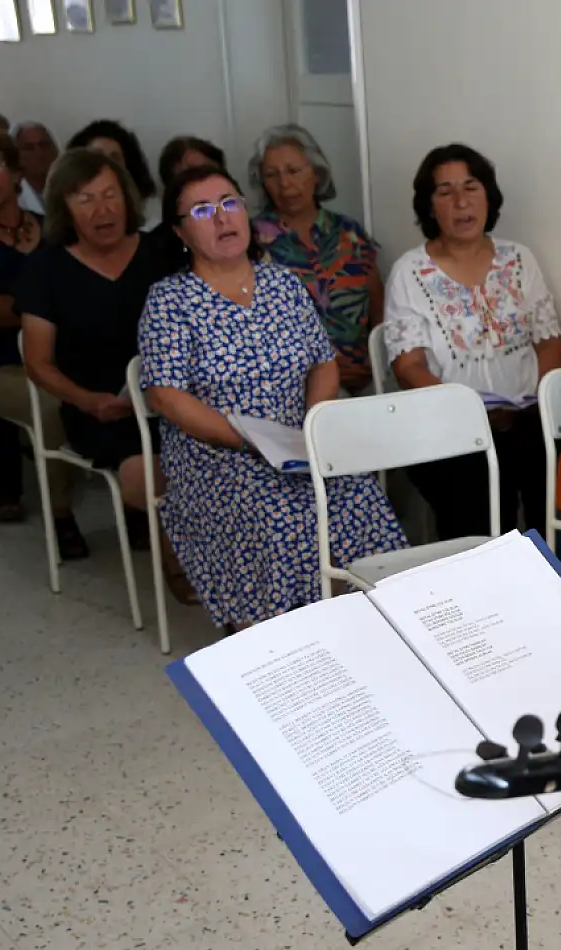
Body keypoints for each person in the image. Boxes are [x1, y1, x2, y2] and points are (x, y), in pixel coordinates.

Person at [139, 165, 406, 631]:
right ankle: (281, 639)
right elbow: (166, 395)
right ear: (181, 231)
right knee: (277, 513)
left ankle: (369, 627)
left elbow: (323, 363)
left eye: (229, 202)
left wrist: (308, 427)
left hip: (296, 442)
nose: (221, 217)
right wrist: (248, 442)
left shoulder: (282, 284)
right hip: (217, 454)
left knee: (356, 493)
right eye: (203, 210)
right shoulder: (169, 301)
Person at [16, 149, 194, 597]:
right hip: (102, 412)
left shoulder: (160, 252)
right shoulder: (46, 269)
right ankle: (183, 558)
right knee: (150, 473)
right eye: (85, 199)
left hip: (175, 402)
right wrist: (87, 400)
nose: (102, 210)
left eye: (110, 195)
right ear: (63, 208)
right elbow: (37, 362)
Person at [382, 143, 561, 538]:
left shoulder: (519, 259)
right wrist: (465, 410)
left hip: (525, 417)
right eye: (445, 191)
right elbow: (408, 367)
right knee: (475, 490)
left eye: (471, 187)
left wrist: (537, 402)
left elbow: (550, 343)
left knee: (555, 475)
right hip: (448, 427)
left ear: (488, 196)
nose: (461, 202)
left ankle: (548, 586)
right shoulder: (409, 272)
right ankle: (480, 593)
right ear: (430, 206)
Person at [0, 128, 88, 558]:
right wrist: (52, 306)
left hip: (64, 358)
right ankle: (62, 515)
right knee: (52, 408)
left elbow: (83, 292)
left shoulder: (50, 228)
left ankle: (134, 505)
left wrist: (44, 306)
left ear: (13, 171)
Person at [250, 124, 382, 392]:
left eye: (294, 171)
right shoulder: (252, 241)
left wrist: (375, 360)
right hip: (294, 387)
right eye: (272, 175)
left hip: (364, 378)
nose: (285, 184)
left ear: (317, 174)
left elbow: (378, 307)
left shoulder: (349, 233)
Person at [148, 135, 227, 273]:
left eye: (208, 172)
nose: (202, 181)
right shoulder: (155, 248)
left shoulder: (240, 224)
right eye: (190, 175)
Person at [67, 120, 158, 228]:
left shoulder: (150, 211)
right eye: (97, 156)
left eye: (114, 158)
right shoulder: (66, 206)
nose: (106, 164)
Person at [12, 121, 59, 213]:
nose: (39, 153)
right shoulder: (12, 197)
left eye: (44, 145)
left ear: (56, 150)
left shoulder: (75, 186)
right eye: (28, 148)